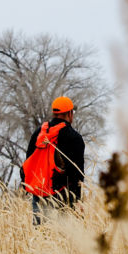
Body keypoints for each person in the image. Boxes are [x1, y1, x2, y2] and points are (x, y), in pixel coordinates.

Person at [22, 96, 85, 225]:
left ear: (54, 113)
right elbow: (77, 173)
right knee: (62, 239)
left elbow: (28, 160)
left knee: (41, 236)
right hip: (63, 196)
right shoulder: (74, 137)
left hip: (39, 194)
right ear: (69, 113)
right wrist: (77, 200)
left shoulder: (39, 133)